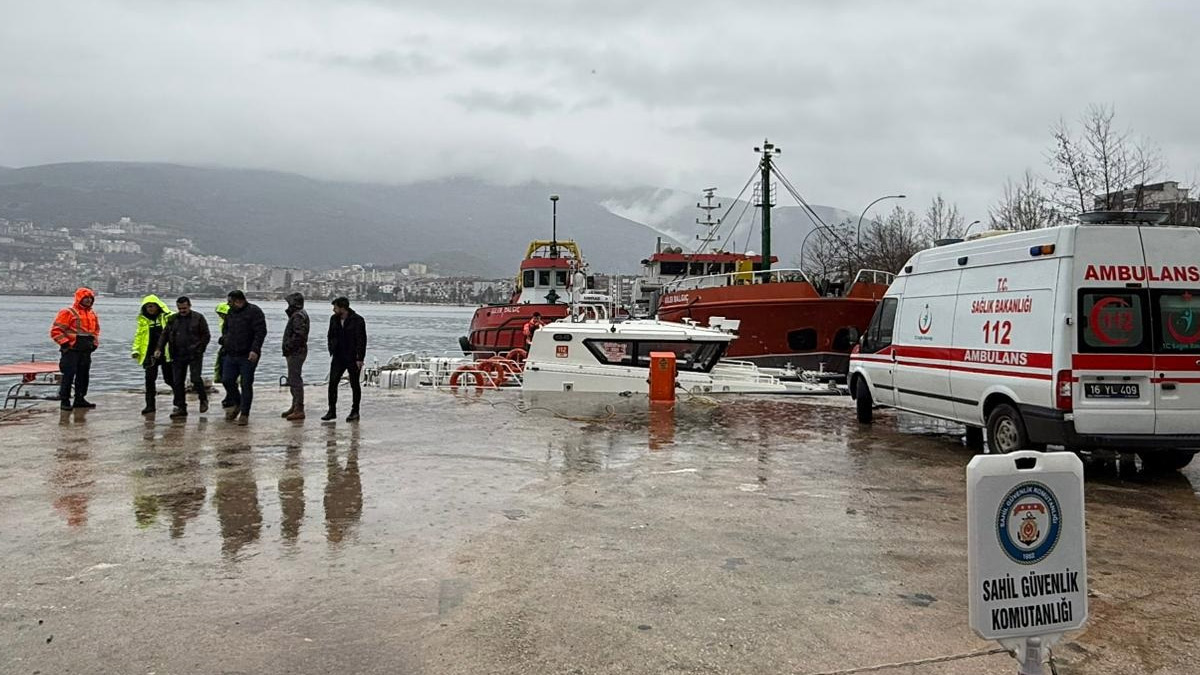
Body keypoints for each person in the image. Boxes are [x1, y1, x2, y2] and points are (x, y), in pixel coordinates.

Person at [155, 296, 211, 418]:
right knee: (177, 382)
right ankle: (180, 407)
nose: (182, 311)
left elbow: (206, 335)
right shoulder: (172, 319)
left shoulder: (198, 318)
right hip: (177, 354)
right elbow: (164, 335)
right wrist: (159, 348)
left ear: (190, 306)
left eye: (184, 308)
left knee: (195, 378)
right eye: (180, 308)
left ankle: (203, 399)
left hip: (194, 354)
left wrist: (200, 349)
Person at [220, 290, 267, 425]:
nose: (228, 305)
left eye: (230, 302)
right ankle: (238, 402)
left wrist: (255, 350)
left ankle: (245, 413)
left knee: (246, 384)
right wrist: (225, 341)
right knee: (226, 380)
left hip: (248, 355)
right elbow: (226, 329)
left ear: (239, 301)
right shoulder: (230, 312)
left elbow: (260, 332)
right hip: (231, 353)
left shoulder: (254, 311)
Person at [50, 287, 101, 411]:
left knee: (83, 376)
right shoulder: (68, 312)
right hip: (71, 350)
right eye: (86, 298)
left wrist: (94, 344)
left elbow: (95, 331)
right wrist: (65, 344)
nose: (88, 300)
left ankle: (80, 398)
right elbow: (56, 331)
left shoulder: (92, 314)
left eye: (90, 298)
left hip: (85, 350)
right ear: (80, 299)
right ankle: (65, 400)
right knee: (68, 375)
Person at [322, 297, 367, 423]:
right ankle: (332, 410)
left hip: (352, 357)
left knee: (354, 384)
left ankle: (355, 411)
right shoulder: (333, 319)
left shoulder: (357, 320)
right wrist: (331, 347)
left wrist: (360, 358)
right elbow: (330, 334)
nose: (333, 310)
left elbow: (361, 340)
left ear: (343, 308)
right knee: (332, 383)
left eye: (335, 307)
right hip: (338, 356)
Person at [132, 295, 174, 415]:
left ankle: (179, 400)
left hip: (165, 353)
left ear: (157, 306)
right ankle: (150, 405)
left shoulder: (168, 317)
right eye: (147, 307)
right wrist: (135, 350)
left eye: (152, 306)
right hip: (149, 355)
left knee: (169, 379)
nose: (150, 309)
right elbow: (139, 337)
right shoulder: (143, 321)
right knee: (149, 380)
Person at [280, 292, 310, 421]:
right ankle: (295, 405)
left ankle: (299, 408)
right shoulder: (298, 314)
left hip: (296, 352)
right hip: (296, 351)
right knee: (293, 379)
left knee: (295, 379)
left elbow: (299, 335)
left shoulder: (298, 316)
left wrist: (289, 346)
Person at [213, 302, 232, 408]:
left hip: (232, 351)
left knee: (229, 377)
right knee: (223, 374)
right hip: (225, 349)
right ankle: (230, 396)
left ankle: (231, 397)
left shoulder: (232, 322)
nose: (220, 316)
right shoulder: (224, 322)